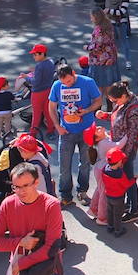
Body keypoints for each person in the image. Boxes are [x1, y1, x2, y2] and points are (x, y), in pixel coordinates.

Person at [0, 163, 64, 275]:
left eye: (25, 186)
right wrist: (21, 242)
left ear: (37, 182)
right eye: (16, 187)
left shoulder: (51, 205)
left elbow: (51, 247)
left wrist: (20, 264)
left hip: (45, 272)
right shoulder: (8, 204)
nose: (20, 191)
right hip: (19, 274)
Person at [48, 64, 102, 207]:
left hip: (86, 130)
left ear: (73, 73)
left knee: (85, 163)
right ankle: (65, 195)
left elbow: (98, 101)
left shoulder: (87, 82)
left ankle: (82, 191)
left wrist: (86, 111)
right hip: (66, 131)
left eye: (69, 81)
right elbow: (52, 107)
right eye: (64, 83)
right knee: (64, 166)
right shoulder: (57, 86)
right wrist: (57, 126)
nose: (66, 84)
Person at [97, 81, 138, 224]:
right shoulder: (124, 102)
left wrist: (125, 156)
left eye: (115, 100)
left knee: (129, 180)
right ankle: (128, 205)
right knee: (125, 179)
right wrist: (105, 115)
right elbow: (117, 115)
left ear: (123, 96)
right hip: (120, 150)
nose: (114, 103)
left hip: (125, 152)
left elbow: (132, 136)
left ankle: (134, 210)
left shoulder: (134, 111)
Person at [86, 9, 120, 108]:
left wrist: (87, 47)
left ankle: (98, 107)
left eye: (91, 16)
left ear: (96, 17)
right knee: (109, 83)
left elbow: (97, 45)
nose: (90, 18)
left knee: (99, 85)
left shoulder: (98, 29)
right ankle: (110, 105)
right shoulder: (109, 26)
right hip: (110, 58)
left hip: (99, 61)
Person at [102, 147, 134, 238]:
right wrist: (134, 179)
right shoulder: (120, 174)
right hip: (118, 197)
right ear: (119, 162)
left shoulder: (105, 169)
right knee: (118, 214)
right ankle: (118, 230)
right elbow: (126, 184)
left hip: (108, 195)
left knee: (110, 211)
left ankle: (110, 226)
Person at [26, 43, 57, 139]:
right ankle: (51, 131)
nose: (33, 56)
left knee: (37, 114)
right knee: (48, 112)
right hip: (48, 90)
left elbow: (35, 82)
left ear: (42, 54)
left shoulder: (39, 66)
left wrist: (26, 77)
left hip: (37, 93)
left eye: (35, 54)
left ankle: (33, 133)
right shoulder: (51, 62)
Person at [105, 0, 132, 71]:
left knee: (124, 42)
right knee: (114, 43)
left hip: (121, 23)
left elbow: (122, 12)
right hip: (114, 23)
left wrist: (109, 11)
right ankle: (114, 61)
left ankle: (127, 61)